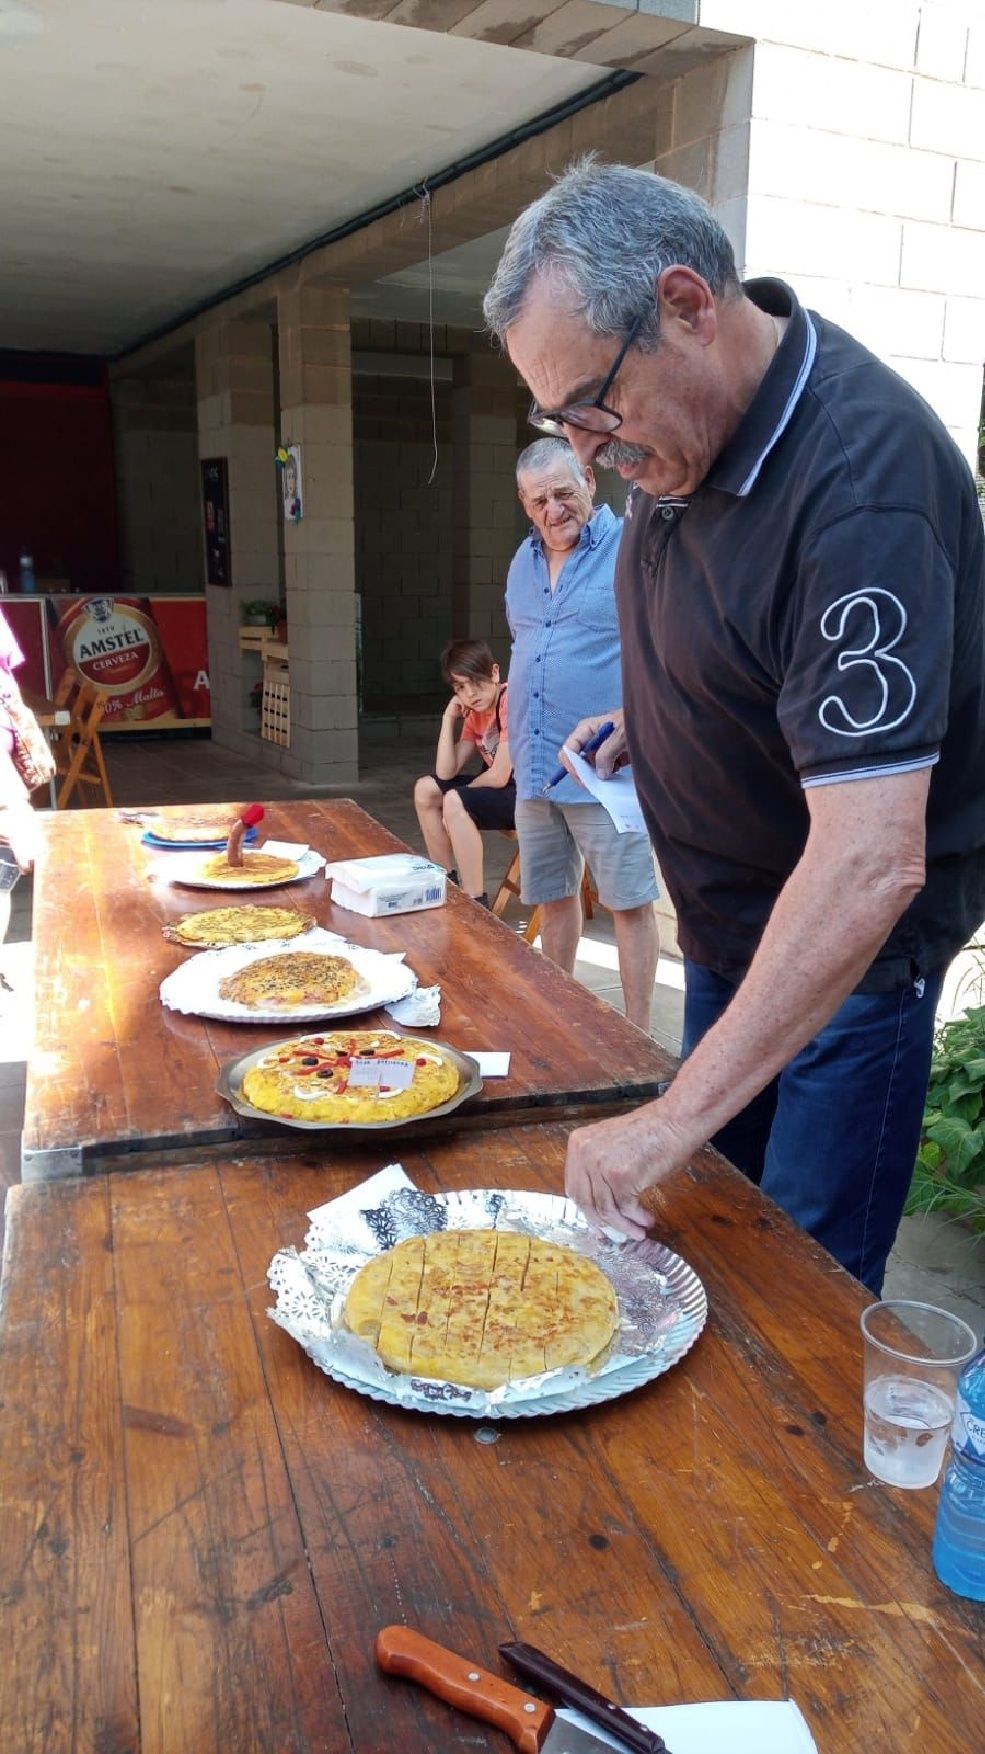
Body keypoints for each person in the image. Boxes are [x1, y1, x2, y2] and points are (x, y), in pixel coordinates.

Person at [483, 157, 985, 1294]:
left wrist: (665, 1118)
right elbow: (753, 642)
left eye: (592, 409)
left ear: (686, 306)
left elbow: (868, 861)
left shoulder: (861, 486)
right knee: (703, 1249)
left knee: (791, 1286)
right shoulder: (681, 441)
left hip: (838, 964)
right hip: (725, 923)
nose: (588, 452)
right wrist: (651, 718)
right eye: (556, 419)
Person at [505, 437, 659, 1032]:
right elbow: (527, 649)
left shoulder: (629, 548)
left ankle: (639, 1034)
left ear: (590, 483)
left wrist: (632, 719)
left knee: (627, 902)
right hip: (536, 764)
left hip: (605, 770)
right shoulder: (521, 563)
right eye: (539, 499)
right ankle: (559, 1017)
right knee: (553, 897)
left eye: (564, 493)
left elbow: (661, 644)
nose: (553, 509)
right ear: (525, 505)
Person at [413, 638, 514, 905]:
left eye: (475, 682)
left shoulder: (509, 700)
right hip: (501, 790)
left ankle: (475, 901)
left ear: (494, 672)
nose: (470, 694)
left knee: (454, 800)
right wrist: (449, 718)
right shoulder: (475, 711)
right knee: (426, 789)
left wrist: (454, 801)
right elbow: (445, 772)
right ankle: (445, 881)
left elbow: (500, 774)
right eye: (460, 687)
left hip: (529, 794)